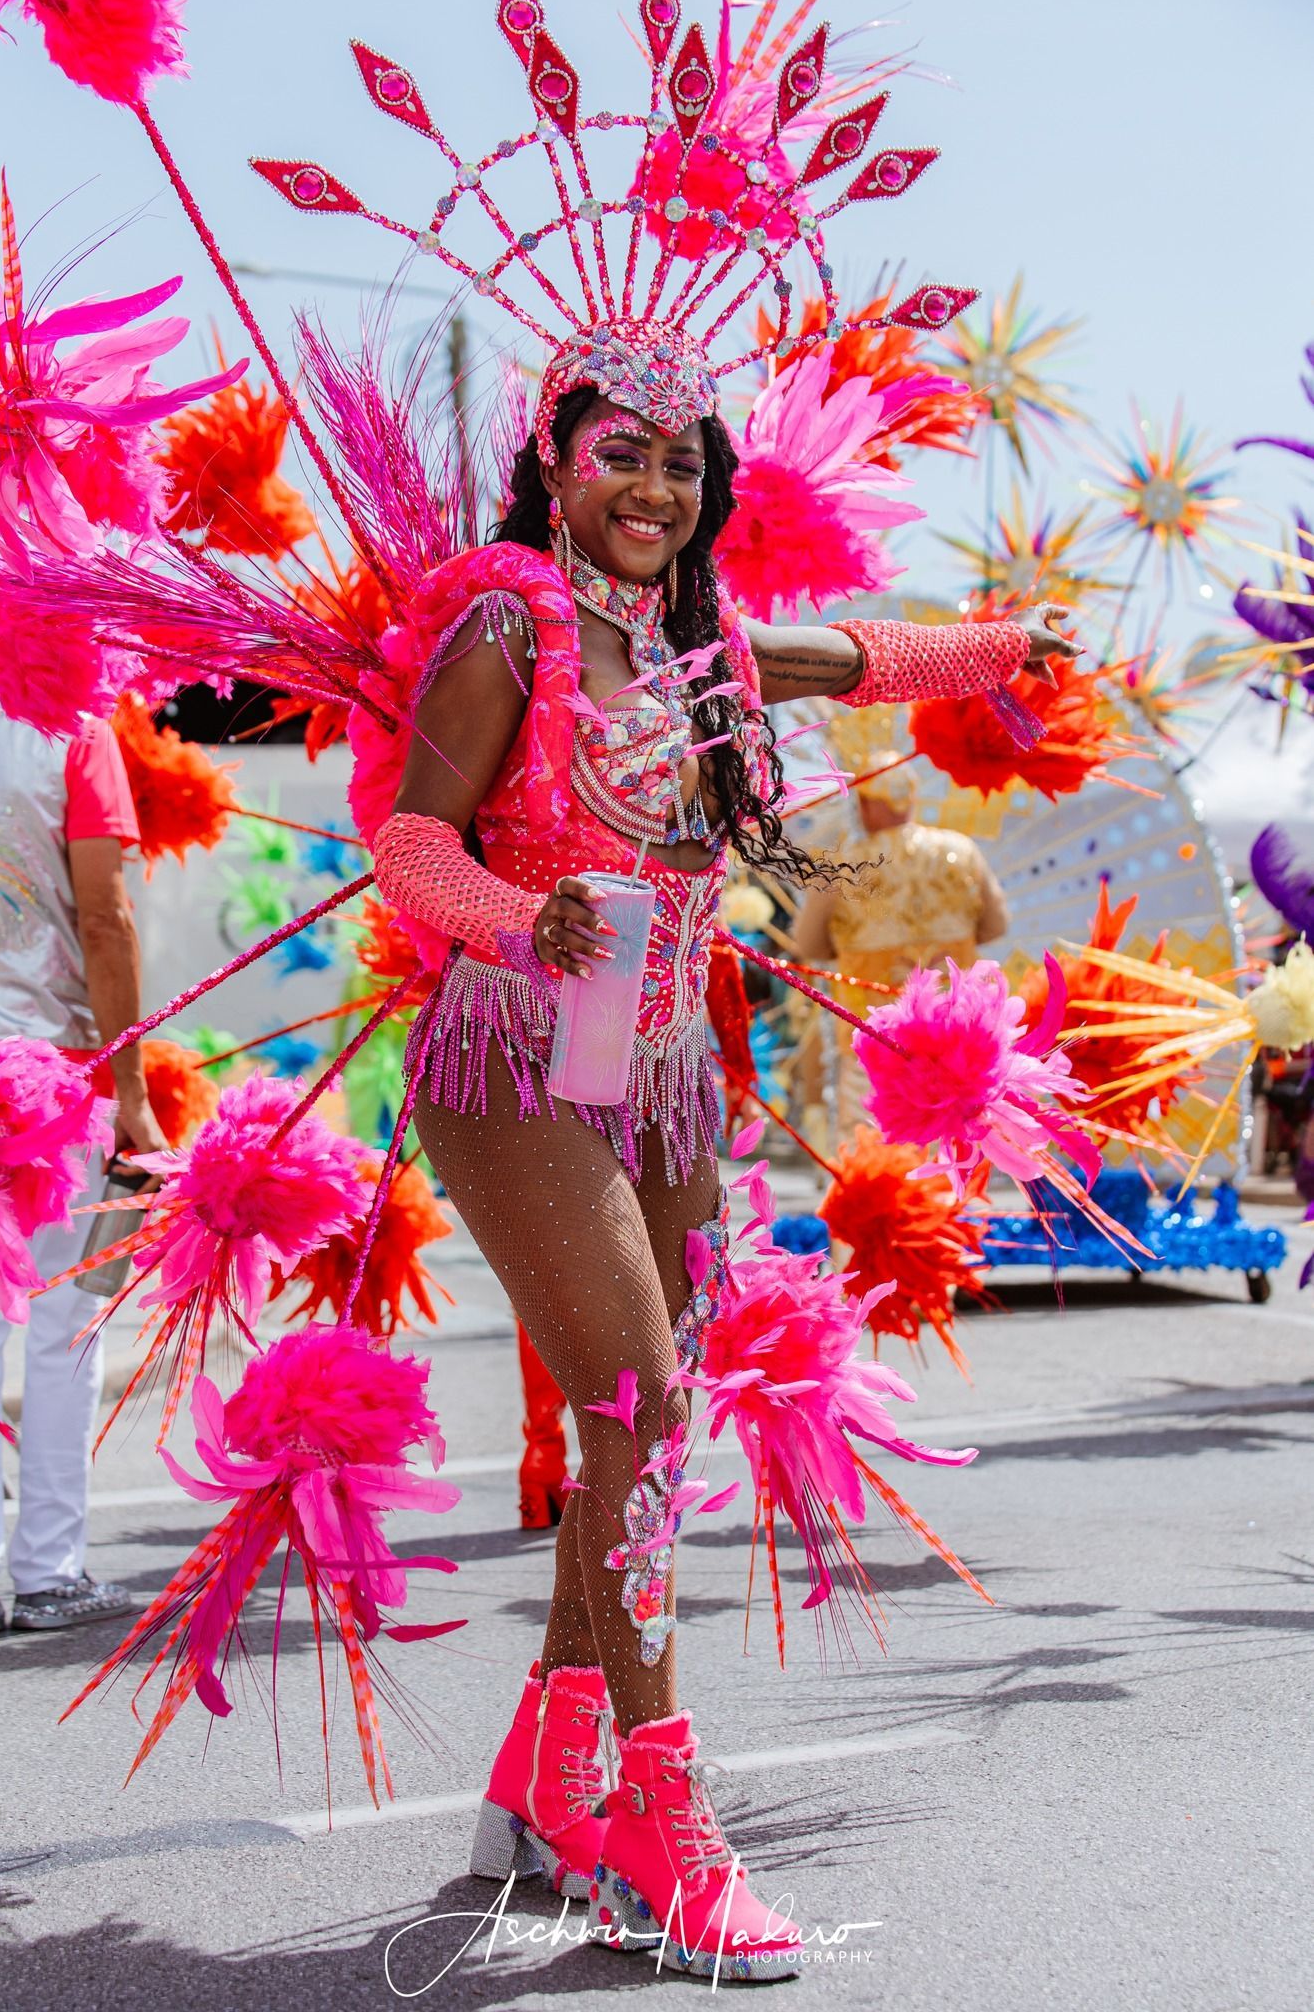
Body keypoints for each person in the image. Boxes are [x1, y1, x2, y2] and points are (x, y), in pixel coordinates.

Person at [370, 369, 1074, 1976]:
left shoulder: (705, 649)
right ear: (550, 466)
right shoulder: (511, 630)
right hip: (517, 1054)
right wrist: (508, 917)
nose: (650, 489)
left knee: (654, 1415)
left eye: (678, 465)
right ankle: (656, 1827)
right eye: (618, 455)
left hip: (668, 1067)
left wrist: (997, 649)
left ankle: (548, 1781)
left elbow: (860, 653)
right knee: (628, 1391)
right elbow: (413, 837)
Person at [0, 700, 164, 1640]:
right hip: (46, 1074)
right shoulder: (73, 725)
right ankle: (44, 1568)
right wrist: (133, 1088)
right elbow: (105, 917)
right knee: (64, 1325)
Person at [791, 752, 1011, 1153]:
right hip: (954, 1034)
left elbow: (807, 945)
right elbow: (996, 926)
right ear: (911, 798)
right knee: (954, 1146)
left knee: (873, 1146)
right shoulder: (961, 850)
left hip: (873, 1036)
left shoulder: (844, 866)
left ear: (865, 804)